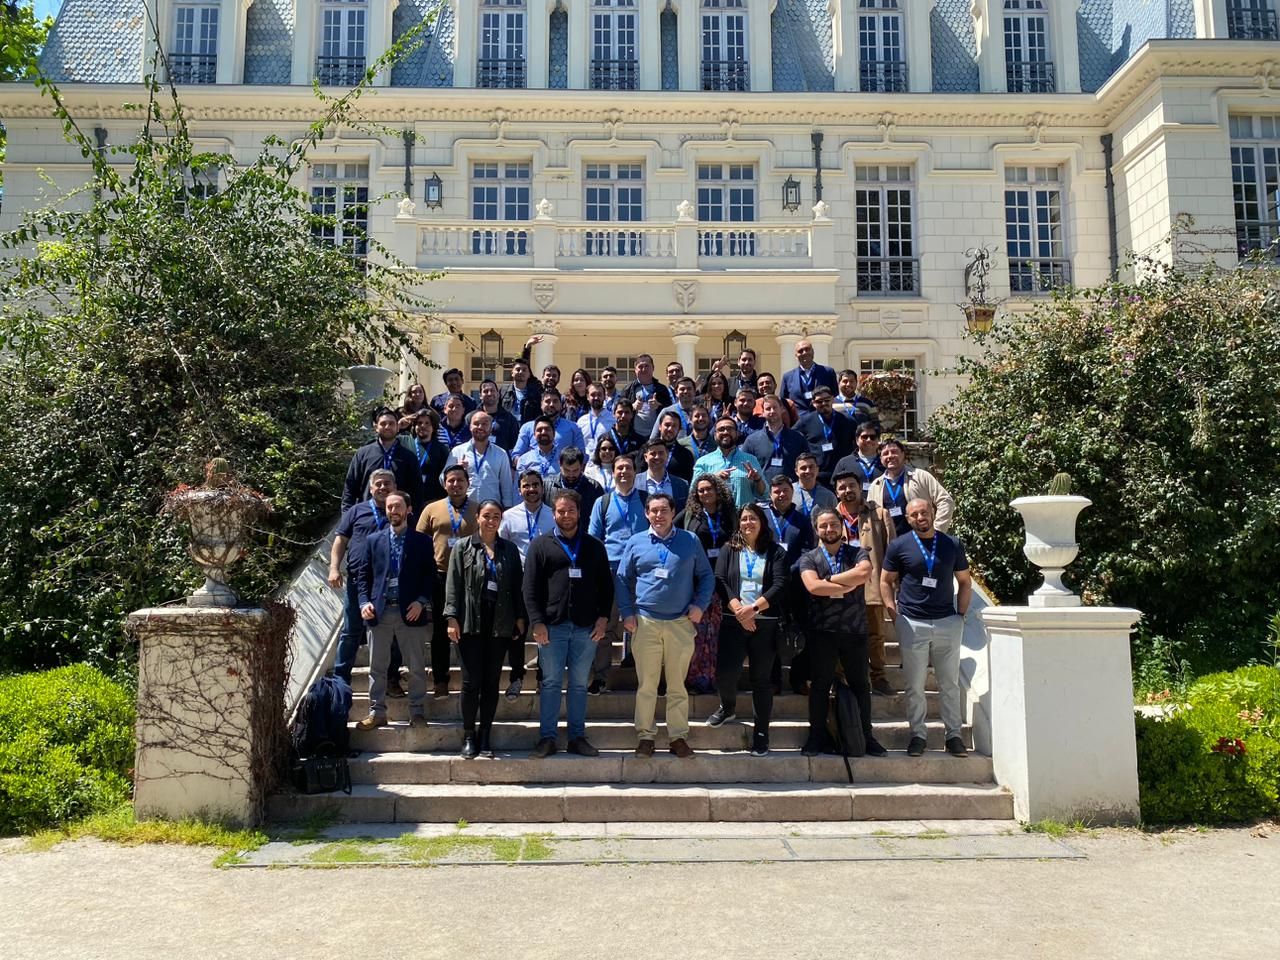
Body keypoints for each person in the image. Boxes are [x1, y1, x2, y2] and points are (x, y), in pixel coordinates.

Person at [616, 493, 715, 758]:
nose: (659, 516)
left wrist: (699, 605)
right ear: (646, 514)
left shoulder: (689, 540)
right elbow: (623, 579)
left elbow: (706, 577)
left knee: (676, 685)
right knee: (647, 685)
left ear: (673, 512)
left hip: (680, 623)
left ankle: (677, 737)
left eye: (664, 510)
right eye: (654, 511)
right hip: (646, 622)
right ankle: (646, 737)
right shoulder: (636, 542)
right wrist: (627, 613)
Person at [523, 489, 614, 758]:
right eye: (560, 511)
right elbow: (529, 588)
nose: (565, 515)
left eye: (570, 510)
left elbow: (606, 587)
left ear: (579, 512)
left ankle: (577, 737)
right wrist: (537, 622)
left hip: (586, 628)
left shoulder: (594, 546)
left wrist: (603, 619)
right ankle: (547, 738)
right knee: (550, 683)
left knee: (577, 684)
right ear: (554, 513)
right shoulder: (540, 545)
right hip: (552, 627)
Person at [882, 498, 972, 758]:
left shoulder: (952, 544)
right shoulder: (899, 546)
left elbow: (964, 582)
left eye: (924, 512)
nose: (920, 517)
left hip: (947, 621)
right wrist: (893, 613)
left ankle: (953, 736)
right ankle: (918, 735)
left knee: (949, 684)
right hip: (912, 622)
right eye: (914, 515)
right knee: (914, 685)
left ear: (932, 513)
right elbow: (885, 581)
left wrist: (961, 616)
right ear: (908, 519)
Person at [798, 507, 886, 757]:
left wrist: (831, 581)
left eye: (833, 525)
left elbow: (865, 572)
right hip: (822, 631)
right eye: (823, 526)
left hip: (854, 630)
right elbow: (813, 587)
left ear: (843, 527)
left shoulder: (857, 552)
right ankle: (817, 736)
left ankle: (866, 736)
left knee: (860, 685)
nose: (829, 530)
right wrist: (848, 582)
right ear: (817, 530)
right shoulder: (809, 557)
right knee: (820, 686)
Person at [444, 499, 527, 759]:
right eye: (487, 516)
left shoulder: (509, 550)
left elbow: (516, 585)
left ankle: (486, 734)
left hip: (500, 621)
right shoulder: (462, 547)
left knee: (491, 683)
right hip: (470, 621)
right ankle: (469, 735)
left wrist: (520, 617)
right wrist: (451, 617)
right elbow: (453, 584)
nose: (491, 521)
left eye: (496, 517)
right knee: (471, 683)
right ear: (477, 517)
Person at [352, 490, 438, 731]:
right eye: (389, 507)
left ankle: (417, 711)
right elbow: (363, 577)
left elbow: (429, 576)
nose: (393, 511)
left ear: (409, 510)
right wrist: (363, 602)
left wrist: (421, 601)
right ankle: (377, 712)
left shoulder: (421, 541)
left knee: (416, 666)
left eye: (398, 506)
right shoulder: (374, 540)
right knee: (377, 667)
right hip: (379, 611)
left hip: (410, 611)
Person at [710, 502, 789, 756]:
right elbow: (720, 580)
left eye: (753, 518)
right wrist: (738, 610)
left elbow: (780, 584)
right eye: (744, 519)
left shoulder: (775, 552)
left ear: (762, 522)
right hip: (733, 621)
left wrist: (752, 610)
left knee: (761, 680)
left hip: (764, 624)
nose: (748, 523)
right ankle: (728, 707)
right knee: (725, 673)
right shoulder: (729, 549)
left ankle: (761, 734)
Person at [328, 469, 404, 692]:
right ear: (371, 489)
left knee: (393, 633)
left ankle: (392, 678)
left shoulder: (399, 511)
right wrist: (334, 568)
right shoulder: (356, 511)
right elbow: (341, 540)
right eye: (378, 484)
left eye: (387, 484)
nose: (382, 488)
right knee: (351, 631)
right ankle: (340, 680)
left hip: (390, 583)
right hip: (358, 580)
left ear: (395, 487)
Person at [586, 455, 649, 694]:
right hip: (610, 571)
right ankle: (600, 676)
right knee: (605, 624)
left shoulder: (646, 500)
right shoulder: (602, 502)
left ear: (635, 472)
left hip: (641, 572)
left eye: (628, 468)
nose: (624, 472)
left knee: (642, 624)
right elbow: (594, 539)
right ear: (613, 472)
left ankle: (642, 673)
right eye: (619, 468)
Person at [833, 470, 898, 698]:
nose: (847, 491)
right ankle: (839, 677)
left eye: (852, 485)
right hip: (840, 584)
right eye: (842, 487)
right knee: (840, 633)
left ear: (861, 487)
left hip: (872, 582)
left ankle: (878, 677)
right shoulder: (830, 517)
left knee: (875, 633)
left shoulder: (879, 514)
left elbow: (892, 551)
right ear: (836, 491)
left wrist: (890, 583)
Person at [416, 464, 478, 698]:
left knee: (469, 629)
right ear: (444, 484)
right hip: (439, 575)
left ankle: (471, 679)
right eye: (451, 480)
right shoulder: (431, 509)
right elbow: (420, 542)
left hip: (470, 577)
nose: (456, 484)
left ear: (467, 483)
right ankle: (440, 680)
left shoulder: (477, 509)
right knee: (441, 631)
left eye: (460, 480)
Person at [675, 473, 736, 694]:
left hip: (723, 580)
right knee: (697, 633)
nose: (705, 493)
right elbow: (671, 533)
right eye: (700, 490)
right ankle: (695, 680)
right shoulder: (690, 515)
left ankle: (716, 679)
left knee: (718, 633)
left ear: (717, 490)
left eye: (709, 489)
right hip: (697, 581)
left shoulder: (730, 515)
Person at [498, 470, 554, 698]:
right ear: (519, 489)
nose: (531, 489)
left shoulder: (552, 514)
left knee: (544, 631)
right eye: (526, 485)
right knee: (517, 632)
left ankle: (543, 678)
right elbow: (502, 546)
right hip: (518, 580)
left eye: (535, 485)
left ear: (542, 488)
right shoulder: (509, 516)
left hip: (546, 580)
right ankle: (516, 678)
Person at [866, 437, 955, 538]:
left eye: (894, 452)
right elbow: (870, 517)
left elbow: (946, 501)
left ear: (903, 454)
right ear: (881, 458)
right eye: (885, 453)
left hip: (920, 541)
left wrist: (936, 532)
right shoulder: (875, 486)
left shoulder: (920, 476)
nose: (890, 456)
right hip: (890, 545)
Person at [342, 407, 424, 513]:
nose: (387, 427)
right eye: (383, 423)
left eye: (391, 423)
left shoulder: (408, 457)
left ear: (398, 427)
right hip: (368, 516)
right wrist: (347, 517)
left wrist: (414, 518)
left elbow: (417, 492)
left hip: (399, 516)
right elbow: (350, 488)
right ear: (376, 427)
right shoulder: (363, 454)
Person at [693, 415, 765, 509]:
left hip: (743, 519)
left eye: (730, 429)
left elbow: (763, 494)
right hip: (715, 519)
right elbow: (693, 492)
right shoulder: (703, 462)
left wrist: (757, 480)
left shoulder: (751, 460)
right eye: (721, 429)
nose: (726, 432)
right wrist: (713, 479)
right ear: (715, 435)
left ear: (737, 433)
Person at [447, 409, 515, 508]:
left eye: (484, 424)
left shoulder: (501, 454)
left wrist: (508, 508)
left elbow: (506, 486)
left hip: (490, 512)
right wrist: (455, 470)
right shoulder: (457, 451)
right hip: (463, 509)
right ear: (470, 427)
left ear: (491, 428)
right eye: (476, 423)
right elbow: (442, 479)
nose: (480, 427)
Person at [743, 395, 810, 483]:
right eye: (768, 409)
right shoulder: (752, 440)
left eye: (775, 407)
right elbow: (744, 467)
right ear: (763, 412)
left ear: (782, 409)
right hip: (762, 493)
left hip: (790, 493)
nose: (772, 411)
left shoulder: (798, 438)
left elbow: (807, 464)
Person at [797, 386, 855, 485]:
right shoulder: (805, 422)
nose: (824, 404)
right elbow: (794, 438)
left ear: (832, 399)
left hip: (842, 474)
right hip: (816, 476)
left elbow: (856, 444)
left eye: (827, 400)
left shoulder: (848, 421)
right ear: (814, 403)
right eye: (819, 401)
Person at [511, 390, 587, 460]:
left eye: (555, 401)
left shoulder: (573, 428)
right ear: (541, 405)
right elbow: (516, 455)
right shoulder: (527, 428)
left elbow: (582, 456)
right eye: (547, 401)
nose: (551, 405)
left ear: (561, 405)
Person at [399, 408, 449, 505]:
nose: (423, 426)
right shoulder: (403, 442)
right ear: (414, 426)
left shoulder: (441, 449)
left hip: (431, 501)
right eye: (419, 423)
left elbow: (445, 477)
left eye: (427, 423)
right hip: (406, 501)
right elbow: (384, 440)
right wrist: (399, 426)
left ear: (433, 427)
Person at [779, 338, 838, 414]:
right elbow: (784, 403)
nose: (804, 353)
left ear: (813, 352)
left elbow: (835, 396)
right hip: (798, 421)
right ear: (796, 356)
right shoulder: (787, 377)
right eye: (800, 351)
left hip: (823, 419)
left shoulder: (828, 372)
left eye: (807, 349)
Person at [624, 353, 674, 438]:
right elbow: (619, 410)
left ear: (653, 368)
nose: (643, 369)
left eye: (647, 366)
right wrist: (632, 407)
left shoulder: (662, 389)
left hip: (656, 435)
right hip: (634, 436)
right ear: (635, 370)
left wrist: (659, 406)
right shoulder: (628, 389)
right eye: (640, 367)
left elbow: (671, 411)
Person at [548, 446, 603, 519]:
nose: (571, 475)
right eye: (567, 470)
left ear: (582, 467)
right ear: (560, 465)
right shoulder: (548, 486)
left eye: (575, 470)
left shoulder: (594, 487)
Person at [832, 422, 885, 497]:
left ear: (878, 440)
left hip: (881, 506)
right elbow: (834, 486)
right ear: (857, 440)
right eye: (864, 437)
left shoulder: (886, 462)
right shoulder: (844, 463)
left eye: (873, 437)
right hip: (853, 506)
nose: (869, 440)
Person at [636, 438, 690, 512]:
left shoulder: (682, 485)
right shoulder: (634, 483)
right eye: (653, 453)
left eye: (661, 453)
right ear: (645, 457)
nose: (657, 457)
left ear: (667, 455)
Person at [468, 378, 520, 453]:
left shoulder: (510, 419)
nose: (489, 393)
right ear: (480, 395)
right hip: (476, 460)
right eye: (486, 391)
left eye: (492, 390)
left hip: (500, 461)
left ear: (498, 394)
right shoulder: (471, 417)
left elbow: (514, 445)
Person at [499, 349, 543, 424]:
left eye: (524, 370)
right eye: (518, 369)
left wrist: (528, 347)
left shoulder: (535, 393)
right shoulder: (503, 391)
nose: (521, 372)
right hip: (508, 431)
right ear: (512, 373)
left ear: (529, 374)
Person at [652, 411, 697, 482]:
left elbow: (688, 482)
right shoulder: (647, 450)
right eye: (667, 425)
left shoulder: (685, 455)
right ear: (660, 426)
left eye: (674, 426)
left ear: (679, 430)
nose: (670, 429)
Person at [793, 451, 838, 522]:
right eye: (803, 468)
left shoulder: (828, 496)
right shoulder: (788, 492)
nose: (808, 471)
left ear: (817, 470)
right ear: (796, 471)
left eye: (811, 467)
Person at [576, 382, 615, 457]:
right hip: (585, 465)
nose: (596, 398)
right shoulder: (581, 421)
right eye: (593, 395)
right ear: (587, 397)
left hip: (605, 463)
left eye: (599, 395)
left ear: (604, 397)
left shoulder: (613, 419)